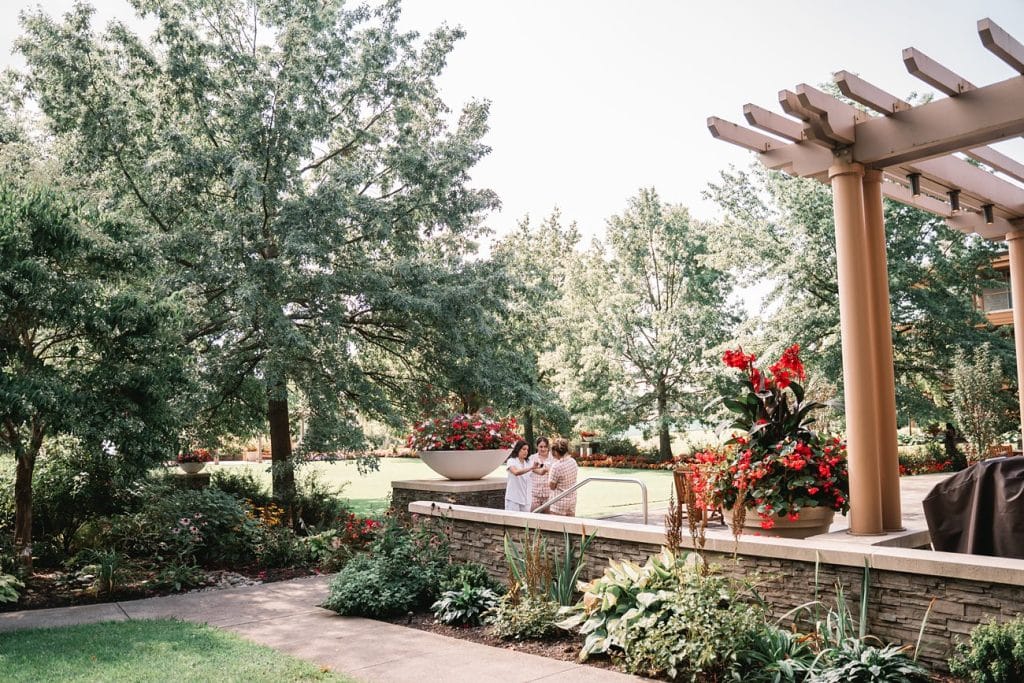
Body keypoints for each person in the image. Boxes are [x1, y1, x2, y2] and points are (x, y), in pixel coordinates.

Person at [547, 437, 579, 516]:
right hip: (572, 500)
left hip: (559, 502)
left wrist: (549, 473)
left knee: (556, 527)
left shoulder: (556, 466)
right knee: (570, 526)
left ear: (556, 452)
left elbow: (552, 486)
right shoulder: (573, 461)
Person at [504, 440, 535, 512]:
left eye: (527, 450)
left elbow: (540, 471)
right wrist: (531, 468)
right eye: (524, 449)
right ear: (518, 449)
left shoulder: (529, 462)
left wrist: (547, 469)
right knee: (512, 521)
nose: (526, 451)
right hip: (513, 499)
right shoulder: (511, 461)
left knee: (525, 522)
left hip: (526, 499)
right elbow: (516, 472)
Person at [529, 436, 553, 512]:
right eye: (541, 447)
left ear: (548, 447)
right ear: (537, 447)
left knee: (548, 520)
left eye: (545, 447)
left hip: (549, 495)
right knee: (533, 518)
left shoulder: (553, 458)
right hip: (534, 494)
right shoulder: (532, 458)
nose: (543, 449)